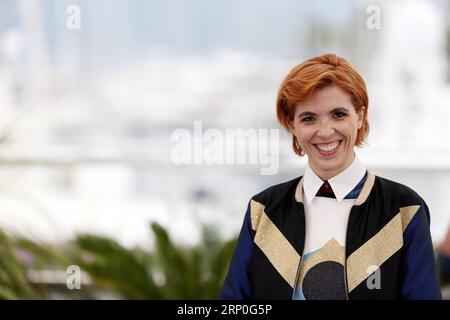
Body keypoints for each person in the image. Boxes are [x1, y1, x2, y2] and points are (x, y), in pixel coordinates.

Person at [220, 54, 442, 300]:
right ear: (292, 125)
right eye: (308, 118)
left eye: (338, 114)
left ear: (360, 116)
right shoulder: (263, 211)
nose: (325, 131)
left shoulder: (404, 210)